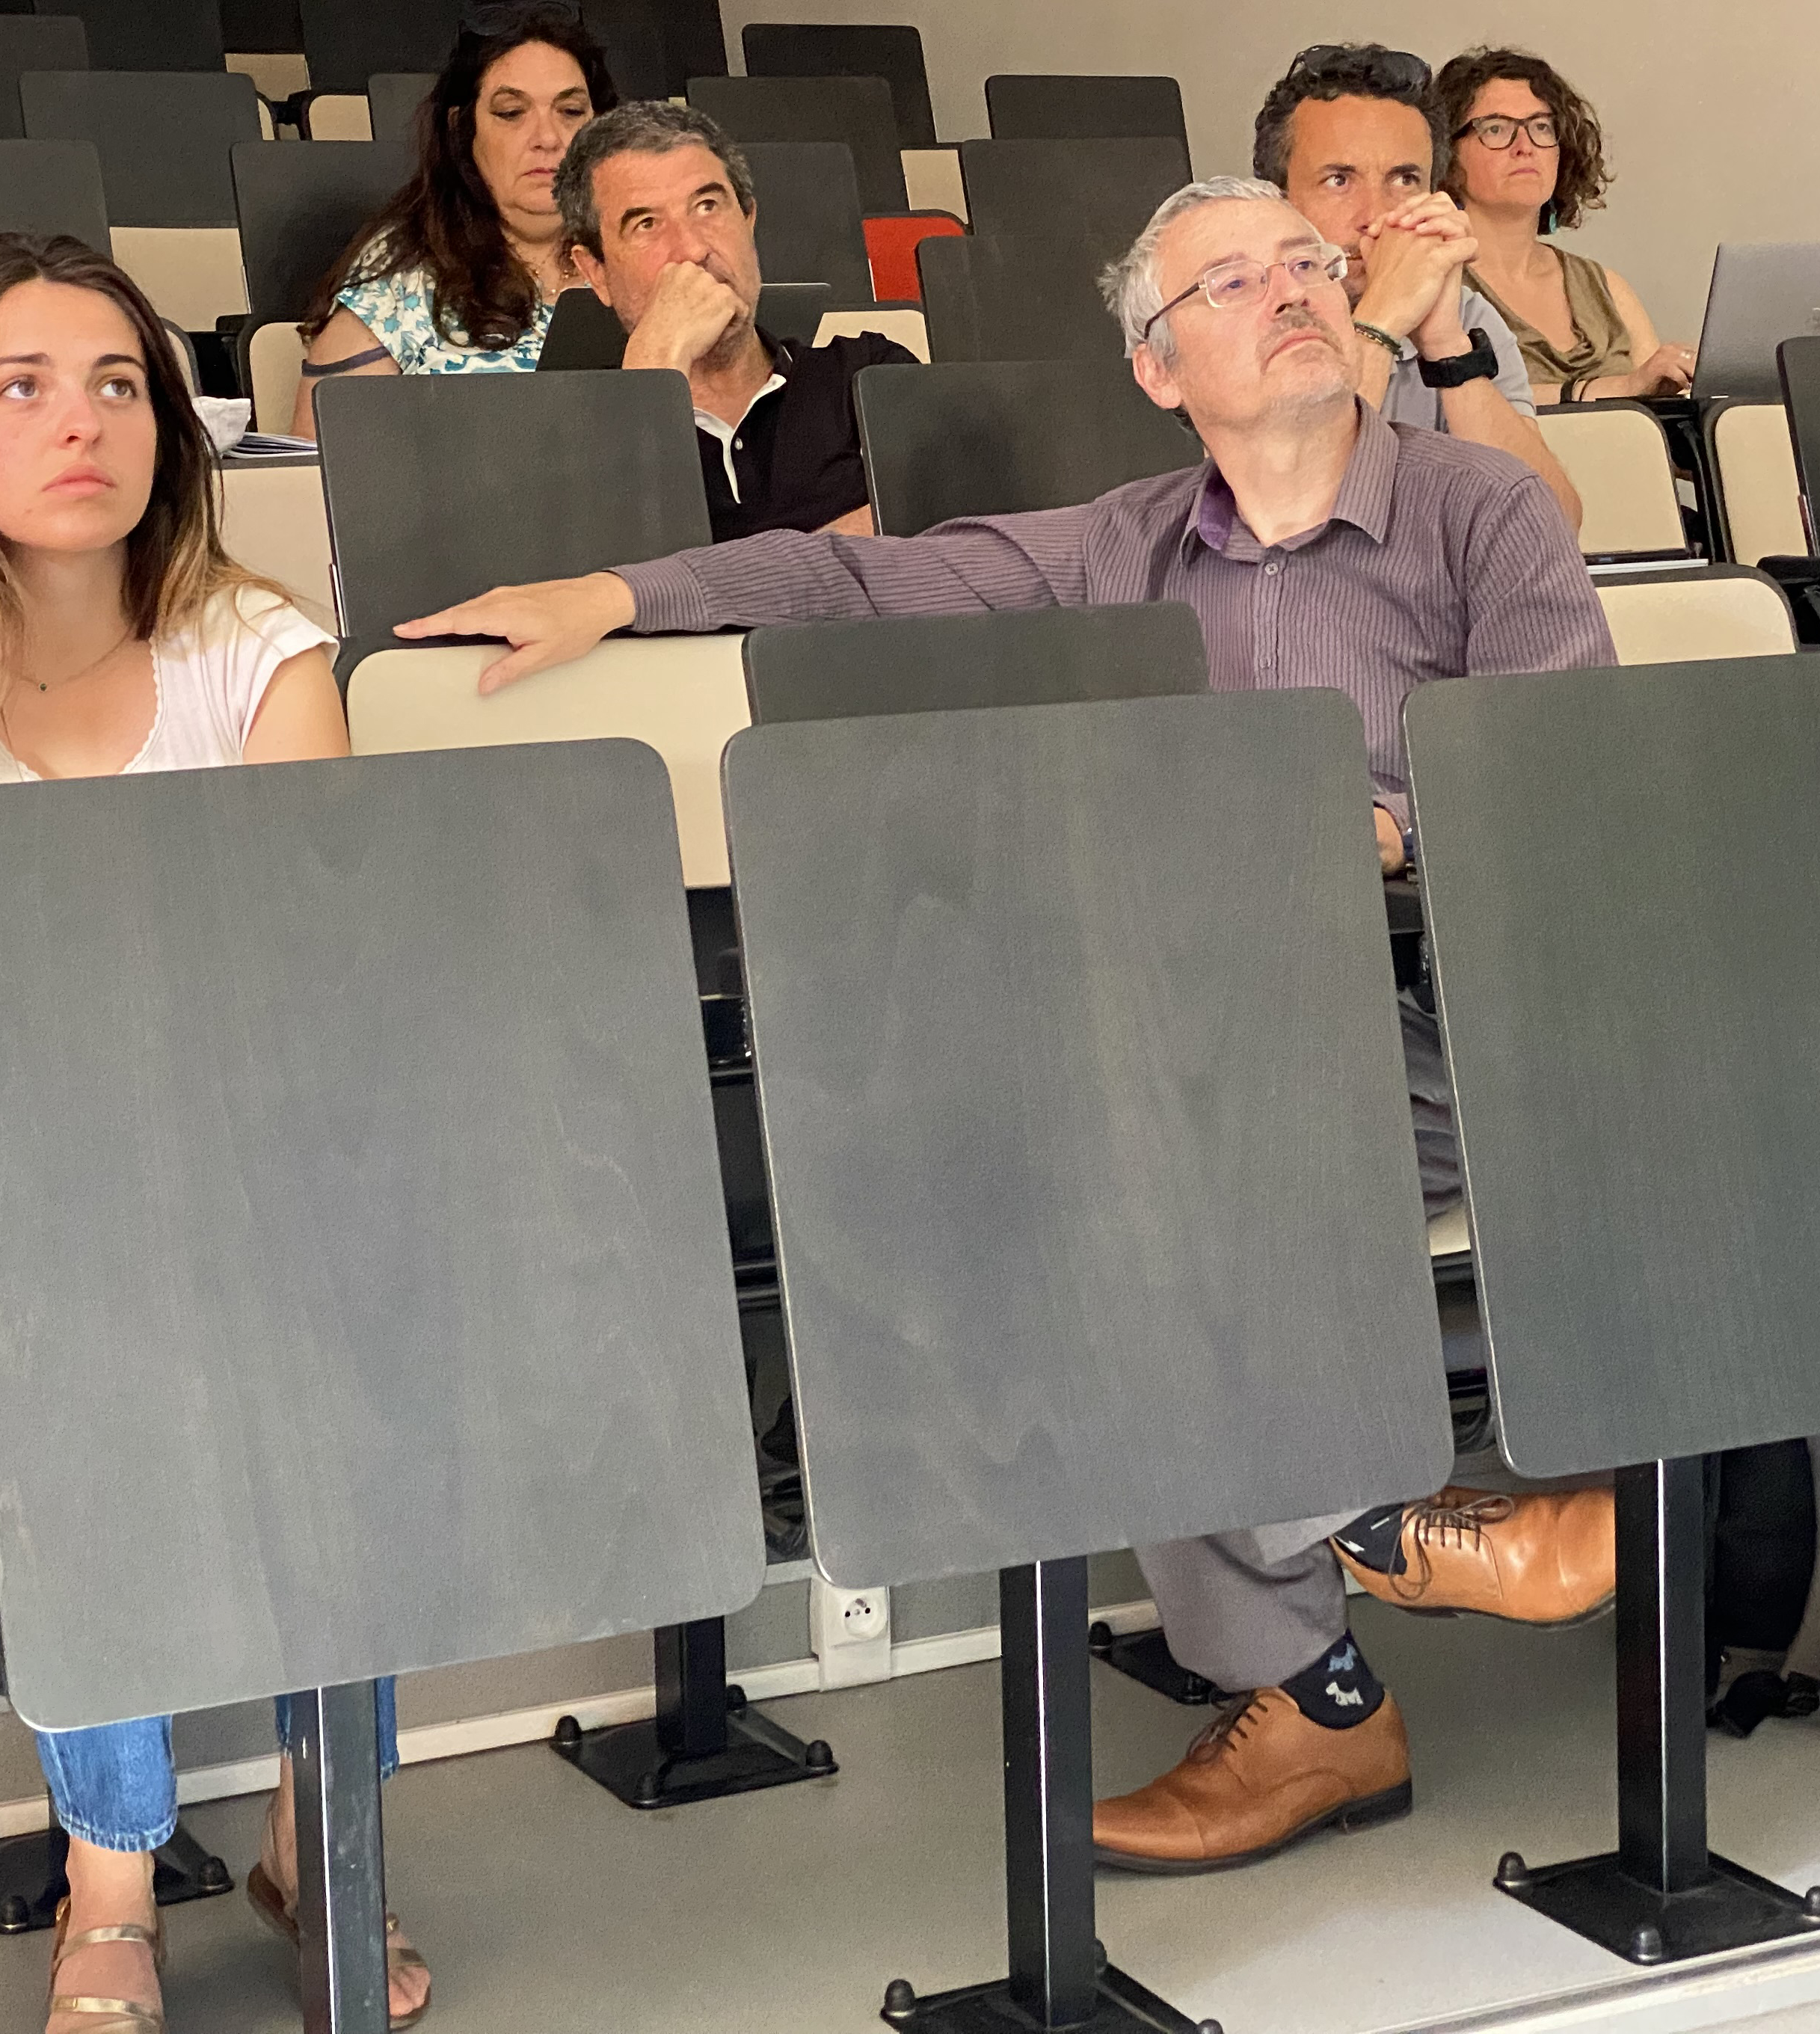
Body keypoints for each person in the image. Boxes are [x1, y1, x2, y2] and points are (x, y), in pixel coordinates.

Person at [396, 176, 1623, 1872]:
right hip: (1199, 1045)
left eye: (1304, 263)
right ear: (1157, 369)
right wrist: (617, 593)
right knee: (1059, 1164)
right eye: (1230, 281)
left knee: (1112, 1168)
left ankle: (1316, 1690)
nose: (1288, 288)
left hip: (1444, 1031)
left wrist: (1390, 825)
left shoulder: (1483, 509)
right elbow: (864, 586)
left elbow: (1566, 781)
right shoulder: (1116, 545)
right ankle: (1362, 1537)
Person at [0, 235, 429, 2034]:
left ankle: (316, 1824)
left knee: (342, 1320)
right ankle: (115, 1867)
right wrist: (180, 951)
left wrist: (89, 958)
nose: (83, 421)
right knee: (96, 1364)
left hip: (219, 1153)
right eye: (27, 385)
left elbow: (312, 934)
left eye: (120, 384)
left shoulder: (254, 644)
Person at [1252, 42, 1581, 527]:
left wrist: (1446, 346)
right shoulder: (1245, 319)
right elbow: (1292, 516)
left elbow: (1550, 526)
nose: (1376, 215)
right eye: (1339, 180)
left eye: (1404, 180)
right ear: (1278, 204)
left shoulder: (1466, 319)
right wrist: (1381, 320)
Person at [558, 102, 915, 539]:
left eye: (707, 206)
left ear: (749, 220)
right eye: (646, 224)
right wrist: (656, 365)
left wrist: (723, 573)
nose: (693, 250)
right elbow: (605, 570)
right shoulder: (567, 439)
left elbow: (940, 532)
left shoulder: (866, 374)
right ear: (596, 272)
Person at [290, 1, 615, 436]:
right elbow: (319, 464)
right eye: (511, 113)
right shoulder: (398, 281)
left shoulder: (644, 253)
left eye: (571, 112)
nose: (548, 138)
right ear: (463, 129)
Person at [1433, 47, 1692, 406]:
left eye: (1541, 127)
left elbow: (1658, 410)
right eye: (1496, 129)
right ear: (1445, 155)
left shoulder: (1609, 289)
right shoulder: (1432, 283)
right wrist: (1612, 389)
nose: (1524, 147)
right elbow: (1439, 406)